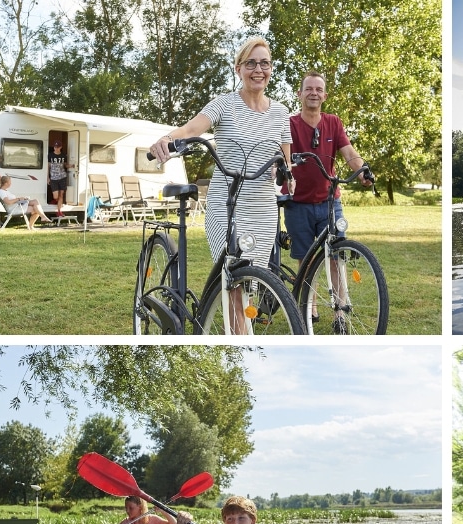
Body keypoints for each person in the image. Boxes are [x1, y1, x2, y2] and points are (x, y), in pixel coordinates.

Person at [149, 37, 292, 333]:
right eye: (251, 63)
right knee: (234, 281)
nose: (258, 69)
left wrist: (284, 170)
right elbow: (190, 129)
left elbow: (285, 162)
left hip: (264, 209)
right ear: (238, 68)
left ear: (271, 68)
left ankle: (241, 337)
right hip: (227, 205)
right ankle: (238, 344)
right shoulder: (224, 104)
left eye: (264, 63)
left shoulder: (281, 112)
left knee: (253, 282)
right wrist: (167, 139)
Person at [280, 71, 372, 334]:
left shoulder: (333, 123)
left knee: (335, 255)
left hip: (329, 201)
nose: (314, 93)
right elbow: (281, 158)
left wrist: (363, 169)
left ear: (324, 95)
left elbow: (349, 153)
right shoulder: (288, 124)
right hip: (297, 203)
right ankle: (310, 306)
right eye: (308, 89)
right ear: (299, 94)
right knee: (305, 259)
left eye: (318, 89)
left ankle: (340, 310)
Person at [48, 140, 70, 217]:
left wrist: (70, 166)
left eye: (57, 147)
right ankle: (55, 202)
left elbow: (65, 165)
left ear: (60, 147)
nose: (56, 148)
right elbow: (48, 167)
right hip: (53, 177)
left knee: (61, 195)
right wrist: (48, 178)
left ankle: (59, 211)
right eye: (55, 147)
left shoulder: (63, 155)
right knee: (56, 196)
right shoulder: (50, 155)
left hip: (62, 177)